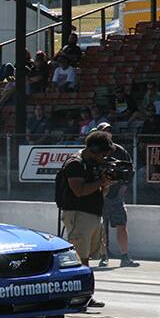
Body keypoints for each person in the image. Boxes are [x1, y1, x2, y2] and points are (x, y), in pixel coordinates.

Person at [60, 131, 114, 307]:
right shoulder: (75, 164)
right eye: (103, 153)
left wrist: (105, 183)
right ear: (94, 149)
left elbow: (98, 191)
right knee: (80, 259)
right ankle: (80, 296)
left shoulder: (90, 164)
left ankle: (83, 296)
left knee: (86, 258)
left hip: (91, 213)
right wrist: (101, 181)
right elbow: (79, 191)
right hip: (78, 214)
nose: (104, 157)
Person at [94, 123, 139, 268]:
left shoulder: (119, 150)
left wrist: (124, 188)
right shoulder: (93, 151)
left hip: (115, 195)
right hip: (100, 195)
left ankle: (125, 256)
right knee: (101, 227)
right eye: (104, 131)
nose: (107, 133)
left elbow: (130, 169)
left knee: (121, 225)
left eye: (109, 131)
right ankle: (103, 256)